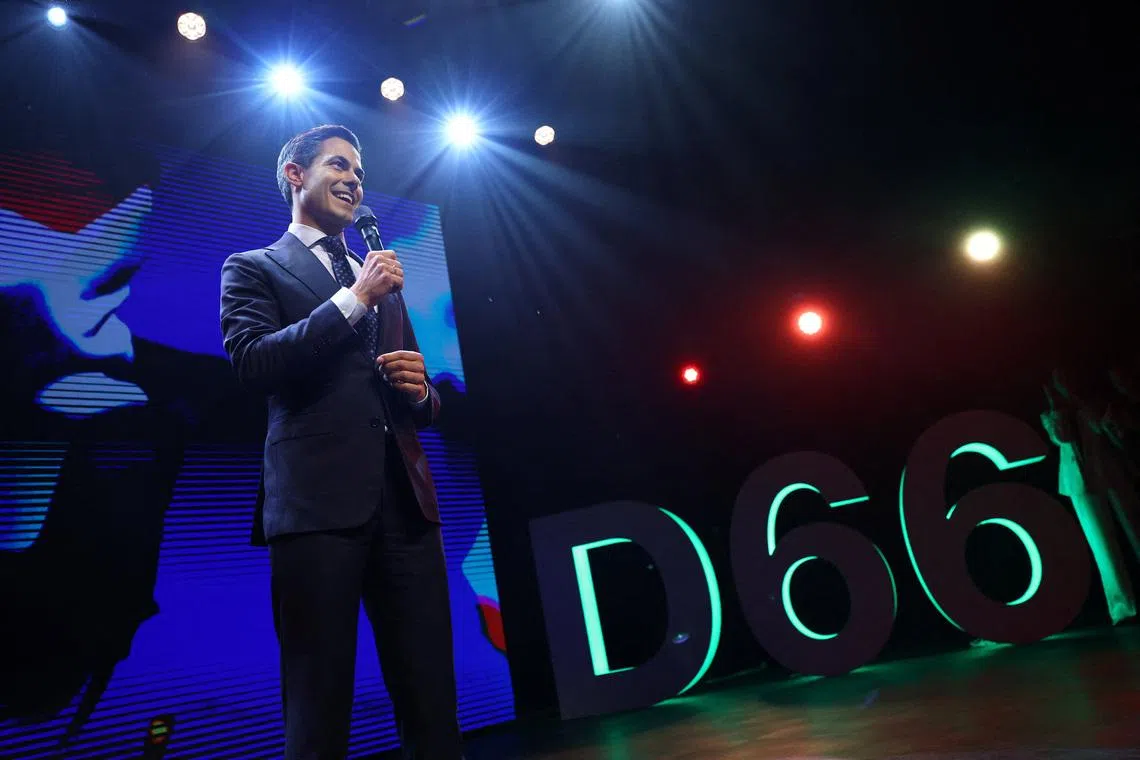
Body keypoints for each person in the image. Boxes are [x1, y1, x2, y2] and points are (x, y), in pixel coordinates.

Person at [218, 124, 462, 759]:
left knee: (431, 694)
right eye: (339, 165)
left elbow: (417, 395)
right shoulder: (253, 268)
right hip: (316, 511)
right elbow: (252, 364)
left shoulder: (378, 274)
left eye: (360, 170)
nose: (355, 178)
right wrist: (356, 298)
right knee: (318, 696)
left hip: (405, 506)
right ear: (295, 176)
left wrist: (423, 392)